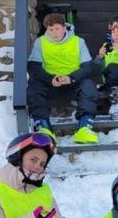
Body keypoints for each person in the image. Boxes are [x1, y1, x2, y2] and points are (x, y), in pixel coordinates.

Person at [27, 12, 100, 144]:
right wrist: (50, 79)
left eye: (57, 28)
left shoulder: (78, 42)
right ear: (47, 30)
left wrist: (71, 78)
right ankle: (44, 128)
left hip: (73, 82)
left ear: (64, 28)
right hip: (51, 83)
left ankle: (84, 128)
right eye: (51, 29)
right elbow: (33, 67)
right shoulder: (40, 42)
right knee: (34, 86)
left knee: (88, 85)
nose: (54, 32)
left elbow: (88, 67)